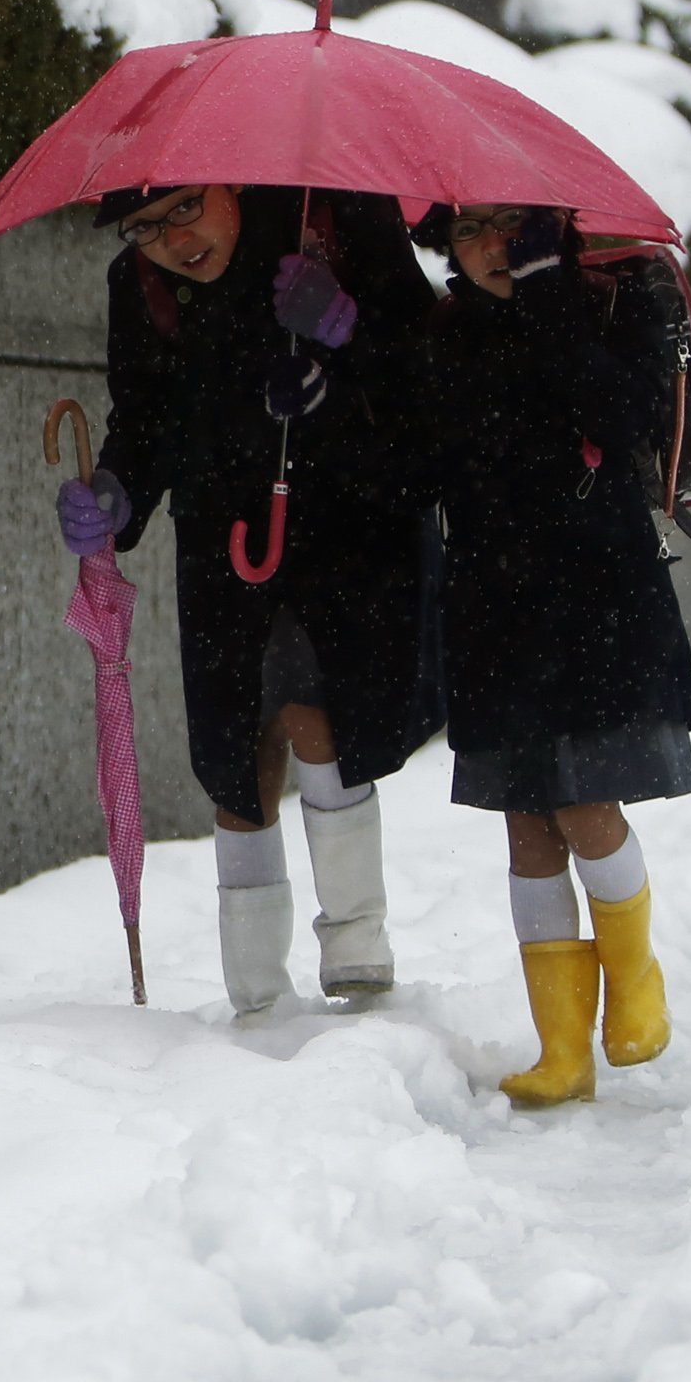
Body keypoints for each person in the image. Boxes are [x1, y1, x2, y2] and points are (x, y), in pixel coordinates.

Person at [59, 182, 441, 1017]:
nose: (172, 241)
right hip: (221, 535)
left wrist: (344, 332)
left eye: (186, 208)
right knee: (238, 753)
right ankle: (257, 990)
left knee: (317, 715)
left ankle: (357, 947)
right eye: (145, 228)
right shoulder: (142, 286)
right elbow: (147, 414)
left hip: (349, 528)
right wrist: (117, 492)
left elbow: (425, 368)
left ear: (229, 181)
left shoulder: (330, 219)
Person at [418, 204, 691, 1107]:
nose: (493, 247)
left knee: (585, 802)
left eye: (511, 226)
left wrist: (548, 299)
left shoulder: (620, 304)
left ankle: (638, 983)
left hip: (596, 598)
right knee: (526, 826)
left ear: (549, 226)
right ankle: (563, 1048)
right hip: (495, 605)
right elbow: (432, 459)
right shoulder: (448, 335)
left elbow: (622, 419)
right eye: (470, 232)